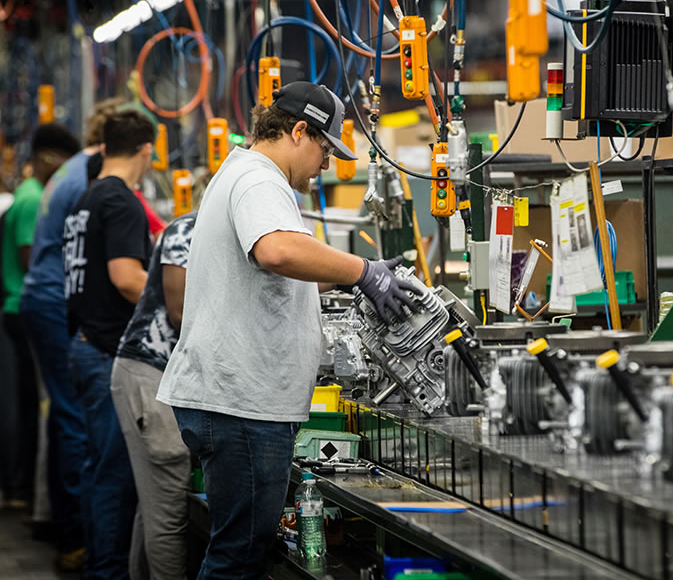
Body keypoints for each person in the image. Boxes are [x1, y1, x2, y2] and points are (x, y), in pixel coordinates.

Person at [157, 82, 420, 579]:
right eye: (325, 149)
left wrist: (352, 277)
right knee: (238, 558)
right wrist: (363, 271)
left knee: (240, 551)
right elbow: (276, 251)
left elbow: (277, 269)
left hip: (236, 401)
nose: (326, 165)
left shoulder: (246, 174)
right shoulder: (259, 180)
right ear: (300, 130)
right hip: (240, 405)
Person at [19, 98, 122, 570]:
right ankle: (76, 540)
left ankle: (73, 533)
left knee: (65, 416)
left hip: (46, 297)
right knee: (72, 419)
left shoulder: (76, 168)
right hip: (52, 300)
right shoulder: (87, 176)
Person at [64, 110, 155, 580]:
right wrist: (176, 304)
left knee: (97, 469)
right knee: (114, 478)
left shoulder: (87, 196)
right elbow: (126, 279)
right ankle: (108, 572)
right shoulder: (120, 199)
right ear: (146, 149)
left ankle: (99, 566)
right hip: (105, 352)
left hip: (83, 343)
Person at [111, 211, 195, 580]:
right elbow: (179, 313)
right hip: (150, 375)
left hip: (157, 378)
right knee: (168, 512)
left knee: (153, 505)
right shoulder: (189, 229)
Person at [0, 124, 77, 512]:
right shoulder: (33, 199)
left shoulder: (31, 194)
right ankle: (20, 490)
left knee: (33, 406)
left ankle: (26, 491)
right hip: (23, 309)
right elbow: (33, 259)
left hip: (20, 307)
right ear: (48, 158)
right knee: (27, 408)